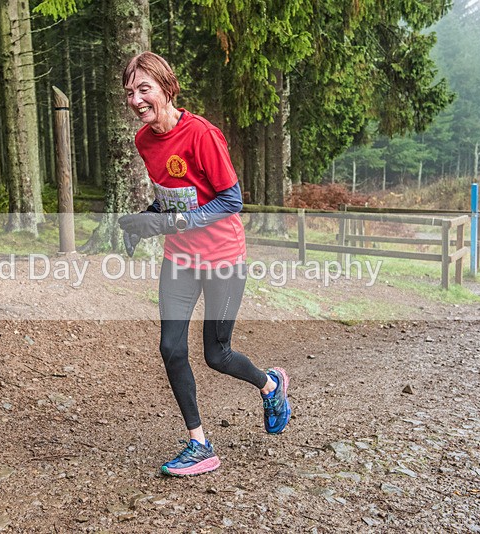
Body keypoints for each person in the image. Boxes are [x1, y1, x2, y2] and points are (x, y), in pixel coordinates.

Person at [117, 52, 291, 477]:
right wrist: (144, 220)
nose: (136, 100)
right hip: (180, 259)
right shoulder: (144, 141)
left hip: (222, 259)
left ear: (166, 88)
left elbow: (232, 201)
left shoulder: (203, 135)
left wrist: (172, 220)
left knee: (217, 354)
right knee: (171, 348)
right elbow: (170, 195)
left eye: (145, 89)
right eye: (129, 93)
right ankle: (199, 443)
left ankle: (271, 385)